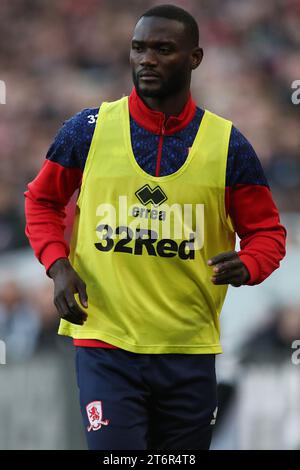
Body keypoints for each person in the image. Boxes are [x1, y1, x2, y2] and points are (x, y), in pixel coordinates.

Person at [24, 4, 286, 450]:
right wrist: (58, 264)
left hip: (188, 349)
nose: (147, 59)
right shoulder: (86, 130)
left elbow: (268, 234)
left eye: (163, 49)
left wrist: (249, 263)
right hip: (106, 342)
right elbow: (41, 200)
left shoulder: (228, 146)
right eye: (138, 48)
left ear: (195, 58)